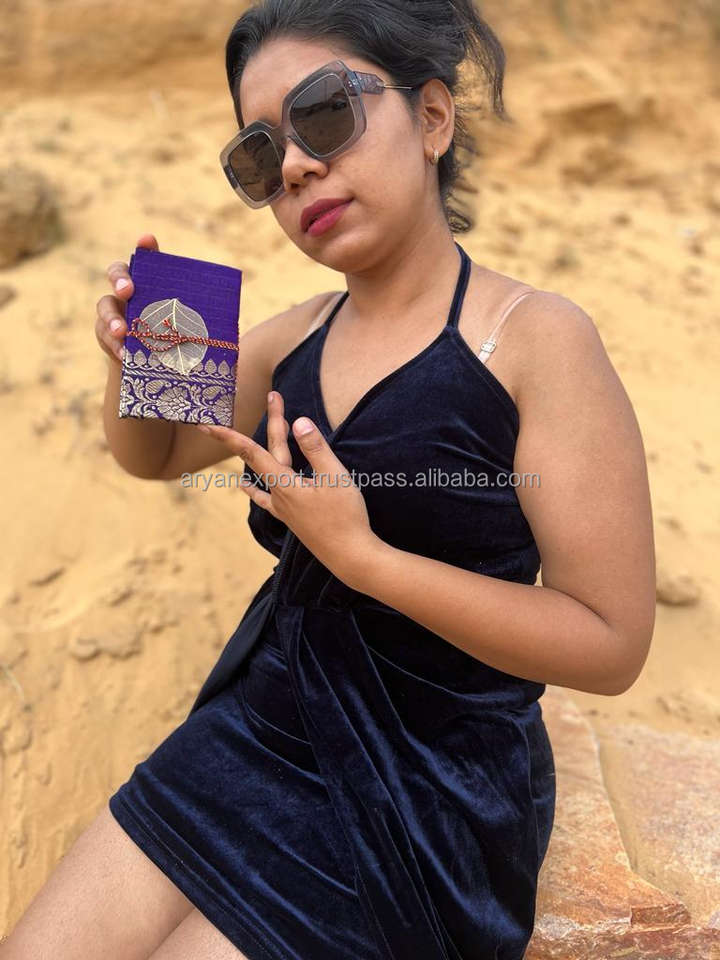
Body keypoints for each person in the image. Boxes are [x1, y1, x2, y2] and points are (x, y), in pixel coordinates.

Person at [2, 1, 656, 958]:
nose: (297, 167)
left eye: (324, 114)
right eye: (260, 157)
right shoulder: (294, 336)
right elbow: (160, 456)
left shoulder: (535, 341)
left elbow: (611, 643)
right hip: (254, 733)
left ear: (433, 117)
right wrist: (135, 364)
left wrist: (365, 560)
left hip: (423, 792)